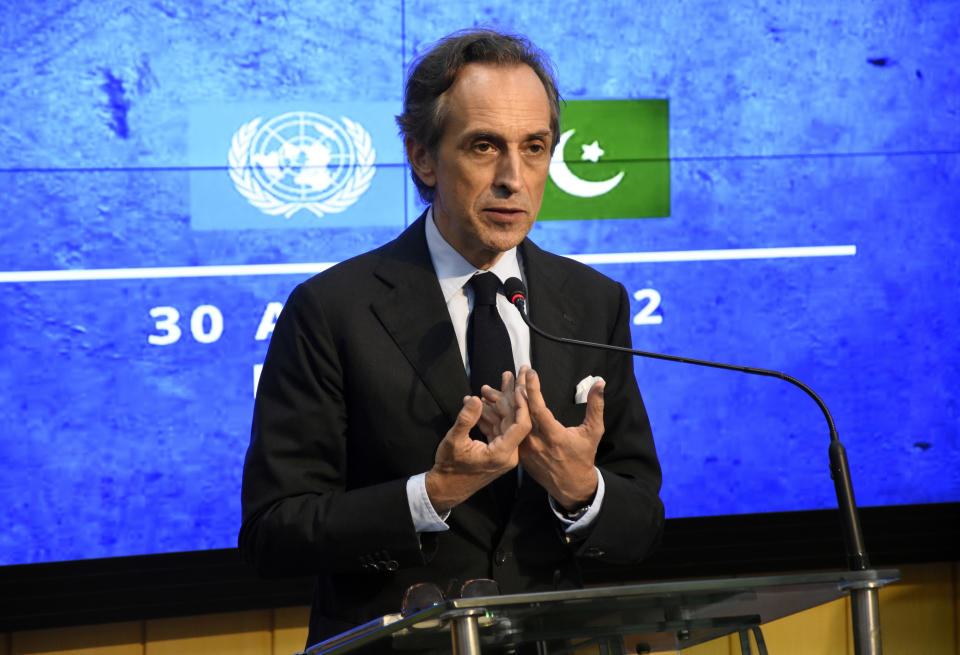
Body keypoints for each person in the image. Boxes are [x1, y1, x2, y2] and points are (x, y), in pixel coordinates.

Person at [239, 28, 664, 650]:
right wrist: (430, 495)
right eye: (485, 147)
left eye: (535, 147)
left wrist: (580, 491)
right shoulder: (332, 310)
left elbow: (643, 525)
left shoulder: (593, 303)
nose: (513, 179)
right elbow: (273, 534)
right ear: (423, 156)